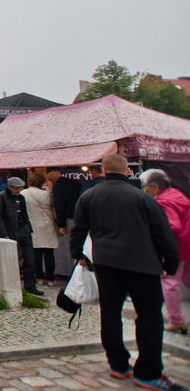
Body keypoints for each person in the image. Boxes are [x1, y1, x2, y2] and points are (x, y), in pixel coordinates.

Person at [71, 155, 184, 391]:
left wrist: (78, 255)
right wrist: (171, 264)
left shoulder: (89, 196)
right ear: (128, 172)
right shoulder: (143, 198)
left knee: (110, 313)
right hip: (141, 264)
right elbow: (163, 234)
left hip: (105, 264)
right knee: (150, 317)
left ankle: (118, 363)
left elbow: (79, 229)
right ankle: (148, 372)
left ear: (103, 170)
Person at [140, 169, 190, 335]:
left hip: (177, 247)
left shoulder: (163, 201)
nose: (145, 189)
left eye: (146, 186)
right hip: (186, 245)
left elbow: (173, 226)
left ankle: (176, 321)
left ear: (155, 187)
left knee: (169, 283)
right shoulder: (176, 194)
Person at [0, 176, 42, 296]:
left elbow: (25, 213)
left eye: (20, 188)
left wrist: (28, 227)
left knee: (30, 259)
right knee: (13, 259)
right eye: (16, 188)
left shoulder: (21, 197)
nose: (18, 190)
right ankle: (13, 286)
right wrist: (4, 233)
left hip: (23, 230)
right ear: (10, 187)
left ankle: (30, 286)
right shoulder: (1, 196)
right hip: (11, 231)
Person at [22, 173, 58, 286]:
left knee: (36, 253)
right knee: (49, 253)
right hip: (47, 226)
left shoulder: (23, 194)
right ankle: (51, 279)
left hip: (32, 225)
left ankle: (39, 278)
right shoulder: (46, 195)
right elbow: (53, 205)